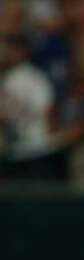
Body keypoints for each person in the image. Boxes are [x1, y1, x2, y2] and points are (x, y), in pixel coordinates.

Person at [0, 34, 57, 180]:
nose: (6, 54)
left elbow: (49, 110)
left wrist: (48, 142)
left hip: (37, 149)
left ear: (22, 51)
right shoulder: (8, 78)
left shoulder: (34, 77)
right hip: (17, 149)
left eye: (11, 49)